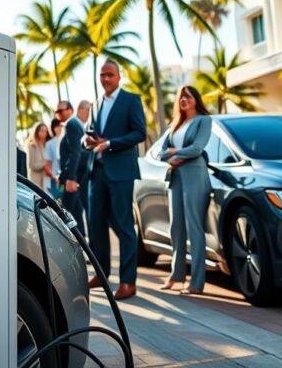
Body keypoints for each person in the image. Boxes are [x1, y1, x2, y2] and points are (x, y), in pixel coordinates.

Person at [84, 60, 147, 300]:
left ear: (119, 77)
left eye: (110, 75)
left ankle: (128, 283)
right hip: (96, 171)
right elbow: (87, 135)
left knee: (123, 225)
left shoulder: (131, 100)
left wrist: (109, 143)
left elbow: (139, 133)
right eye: (102, 75)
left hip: (120, 172)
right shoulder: (95, 104)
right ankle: (101, 274)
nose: (106, 79)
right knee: (96, 224)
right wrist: (86, 142)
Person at [158, 85, 212, 295]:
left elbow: (198, 148)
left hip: (195, 176)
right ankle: (176, 276)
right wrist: (175, 155)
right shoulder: (175, 125)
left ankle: (196, 283)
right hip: (176, 177)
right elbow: (161, 152)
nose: (184, 100)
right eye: (181, 97)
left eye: (188, 96)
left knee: (194, 227)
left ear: (196, 99)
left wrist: (176, 154)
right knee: (176, 227)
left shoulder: (204, 121)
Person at [59, 100, 92, 238]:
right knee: (71, 214)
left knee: (70, 214)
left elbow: (77, 153)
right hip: (74, 178)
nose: (91, 115)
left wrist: (71, 177)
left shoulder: (76, 126)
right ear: (81, 109)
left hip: (76, 178)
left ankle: (83, 247)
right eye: (89, 111)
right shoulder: (74, 124)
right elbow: (75, 153)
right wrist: (70, 177)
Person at [25, 122, 50, 190]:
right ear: (36, 131)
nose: (44, 133)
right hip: (35, 181)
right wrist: (44, 164)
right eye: (42, 131)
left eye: (45, 131)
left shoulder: (47, 145)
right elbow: (32, 165)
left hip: (45, 182)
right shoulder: (32, 145)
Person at [44, 118, 63, 196]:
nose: (60, 128)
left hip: (69, 180)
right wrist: (55, 177)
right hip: (55, 182)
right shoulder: (50, 144)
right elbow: (46, 166)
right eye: (58, 126)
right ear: (54, 128)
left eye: (61, 126)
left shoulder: (69, 141)